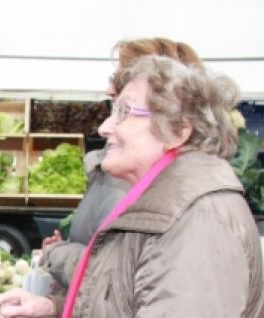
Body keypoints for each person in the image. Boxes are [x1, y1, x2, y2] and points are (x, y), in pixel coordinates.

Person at [0, 56, 264, 318]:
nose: (104, 127)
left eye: (123, 112)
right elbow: (127, 309)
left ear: (178, 129)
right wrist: (52, 312)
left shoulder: (198, 218)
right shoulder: (158, 203)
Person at [41, 38, 204, 288]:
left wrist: (58, 253)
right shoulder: (126, 168)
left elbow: (111, 279)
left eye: (120, 78)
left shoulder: (138, 183)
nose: (108, 88)